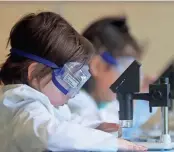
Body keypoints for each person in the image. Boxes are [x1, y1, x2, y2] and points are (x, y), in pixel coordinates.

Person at [0, 12, 147, 152]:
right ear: (34, 73)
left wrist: (95, 127)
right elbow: (52, 134)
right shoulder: (22, 105)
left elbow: (66, 123)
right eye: (68, 80)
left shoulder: (45, 105)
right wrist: (111, 142)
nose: (73, 93)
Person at [68, 16, 158, 140]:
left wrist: (142, 101)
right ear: (97, 66)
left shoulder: (100, 104)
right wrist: (136, 101)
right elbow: (105, 130)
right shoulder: (75, 102)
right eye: (126, 68)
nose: (132, 79)